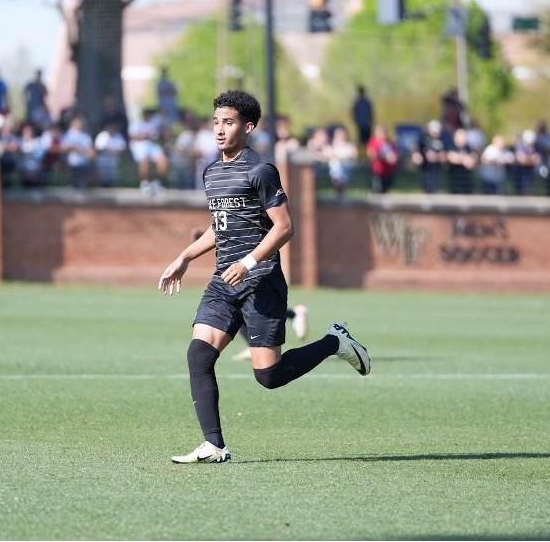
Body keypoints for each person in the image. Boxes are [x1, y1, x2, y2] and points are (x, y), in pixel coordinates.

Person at [158, 89, 370, 464]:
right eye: (216, 122)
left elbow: (285, 227)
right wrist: (185, 256)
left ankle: (334, 342)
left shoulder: (261, 170)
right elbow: (220, 227)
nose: (219, 130)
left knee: (269, 377)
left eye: (229, 122)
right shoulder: (211, 172)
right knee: (198, 354)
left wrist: (249, 263)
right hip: (224, 281)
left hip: (262, 281)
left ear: (248, 126)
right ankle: (214, 445)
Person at [366, 123, 399, 194]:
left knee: (386, 190)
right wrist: (385, 158)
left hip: (389, 171)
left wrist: (393, 158)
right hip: (379, 171)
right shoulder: (374, 142)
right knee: (378, 190)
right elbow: (371, 154)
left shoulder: (390, 143)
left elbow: (395, 155)